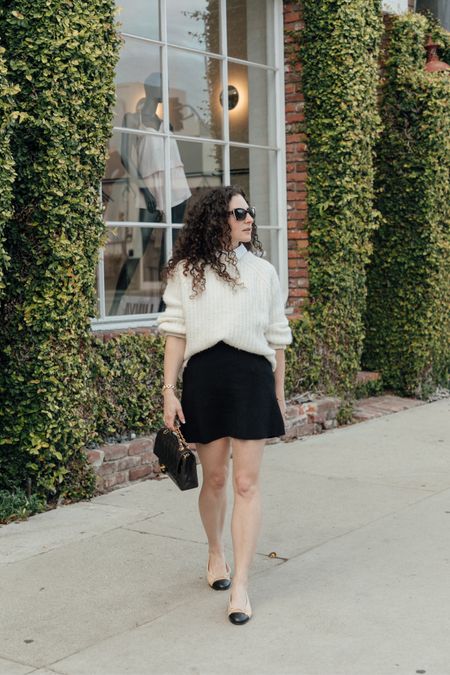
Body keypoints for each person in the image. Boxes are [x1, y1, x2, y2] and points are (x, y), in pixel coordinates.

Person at [157, 185, 292, 625]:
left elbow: (277, 338)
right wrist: (168, 390)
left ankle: (242, 586)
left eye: (250, 211)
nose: (249, 218)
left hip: (252, 378)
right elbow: (175, 332)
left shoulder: (264, 272)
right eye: (239, 213)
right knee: (214, 480)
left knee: (247, 484)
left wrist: (278, 393)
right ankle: (216, 553)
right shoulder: (186, 271)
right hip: (205, 379)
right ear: (217, 219)